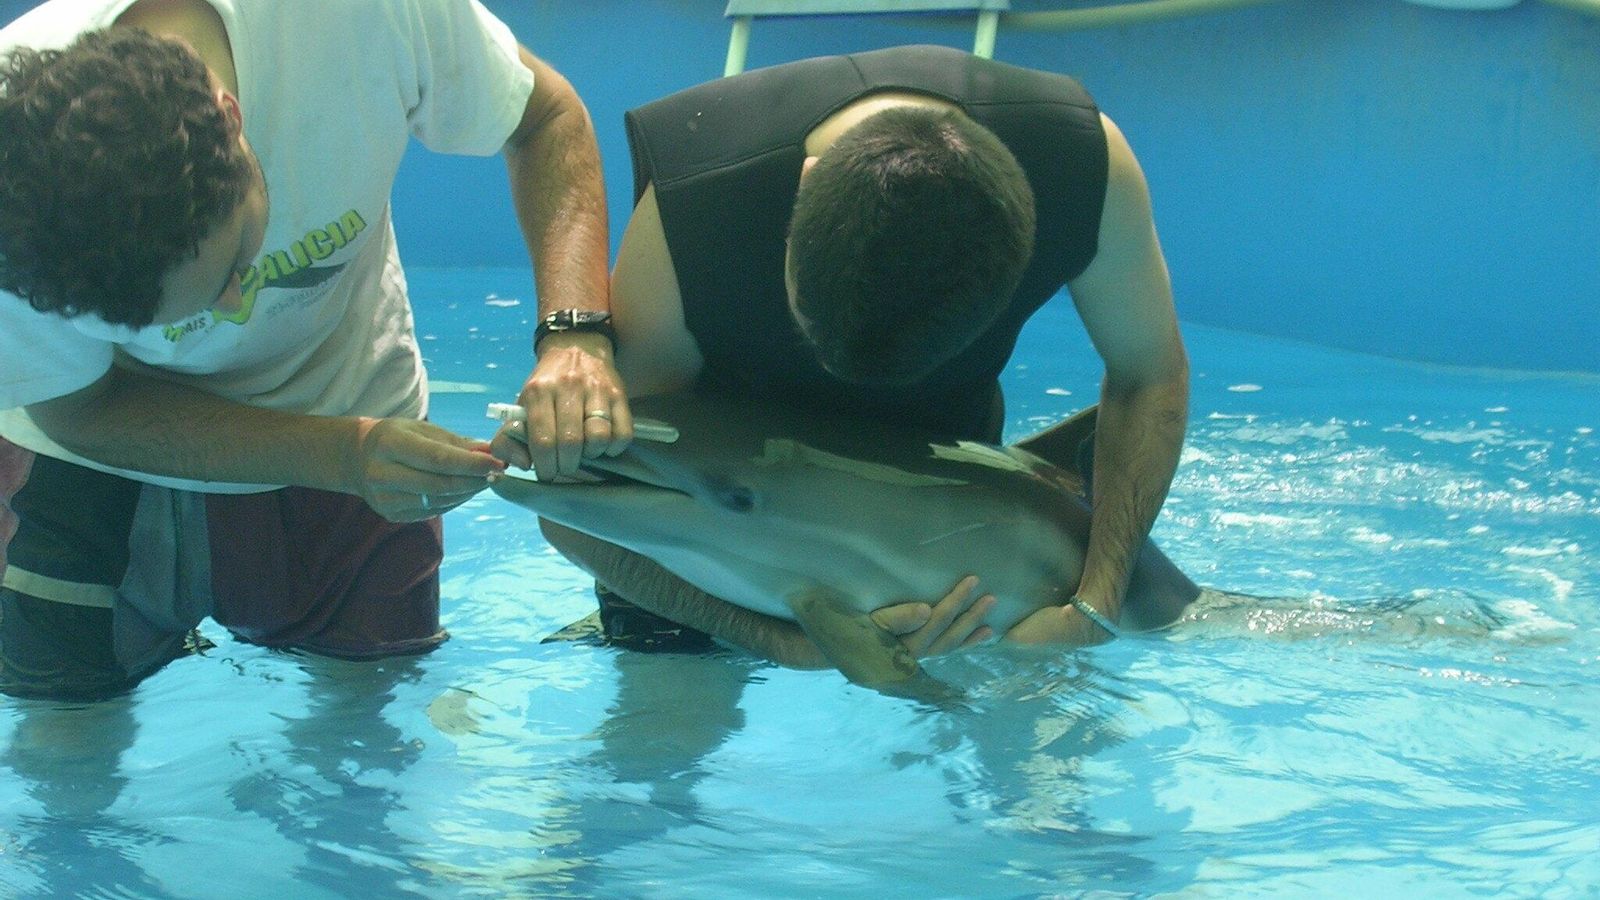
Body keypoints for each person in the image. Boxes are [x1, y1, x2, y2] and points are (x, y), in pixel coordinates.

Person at [0, 0, 627, 700]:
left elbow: (543, 117)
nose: (238, 307)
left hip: (349, 393)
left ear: (233, 119)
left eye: (235, 260)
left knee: (368, 728)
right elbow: (77, 408)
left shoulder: (363, 17)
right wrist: (340, 454)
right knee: (59, 738)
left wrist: (575, 336)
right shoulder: (16, 170)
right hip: (109, 456)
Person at [496, 44, 1190, 665]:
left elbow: (1149, 377)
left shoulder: (1080, 170)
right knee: (661, 739)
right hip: (723, 490)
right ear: (800, 197)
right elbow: (574, 505)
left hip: (941, 499)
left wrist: (1093, 611)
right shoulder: (693, 216)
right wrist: (788, 644)